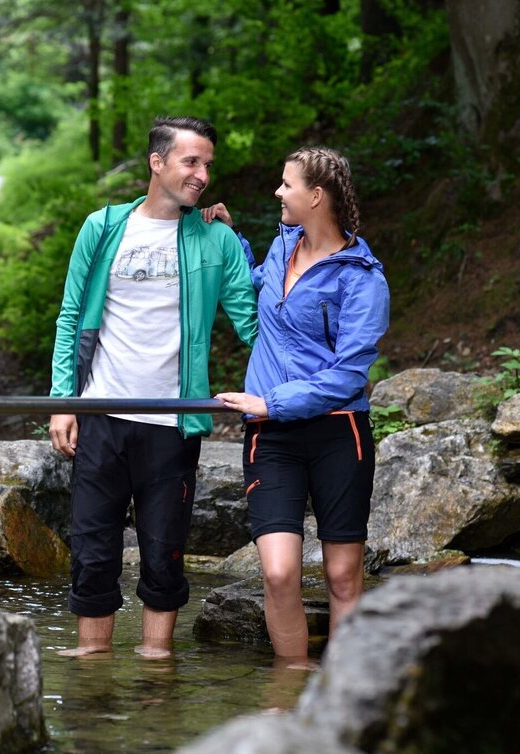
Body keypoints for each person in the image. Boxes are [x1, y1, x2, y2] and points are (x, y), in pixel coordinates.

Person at [48, 116, 258, 658]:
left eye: (208, 164)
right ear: (157, 162)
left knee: (164, 554)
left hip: (173, 421)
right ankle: (92, 668)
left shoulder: (216, 238)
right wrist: (63, 403)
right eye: (191, 161)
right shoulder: (102, 227)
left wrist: (244, 243)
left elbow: (255, 323)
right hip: (101, 414)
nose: (202, 174)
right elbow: (71, 317)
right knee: (92, 553)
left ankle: (156, 672)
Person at [209, 146, 390, 662]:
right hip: (272, 437)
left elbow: (349, 374)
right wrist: (231, 238)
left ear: (315, 196)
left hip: (339, 432)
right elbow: (257, 283)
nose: (278, 192)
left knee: (342, 575)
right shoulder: (283, 245)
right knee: (278, 572)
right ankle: (289, 689)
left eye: (287, 184)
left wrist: (272, 402)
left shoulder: (363, 278)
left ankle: (341, 689)